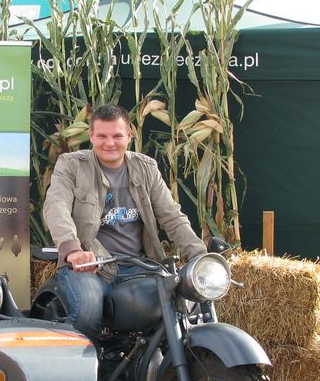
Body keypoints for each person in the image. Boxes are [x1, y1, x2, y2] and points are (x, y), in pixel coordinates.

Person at [43, 103, 206, 341]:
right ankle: (83, 374)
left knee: (186, 306)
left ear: (129, 136)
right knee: (87, 310)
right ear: (91, 136)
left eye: (117, 135)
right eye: (102, 136)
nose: (110, 143)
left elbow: (172, 216)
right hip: (91, 268)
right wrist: (73, 250)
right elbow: (56, 207)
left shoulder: (146, 168)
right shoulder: (72, 165)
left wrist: (200, 254)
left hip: (141, 267)